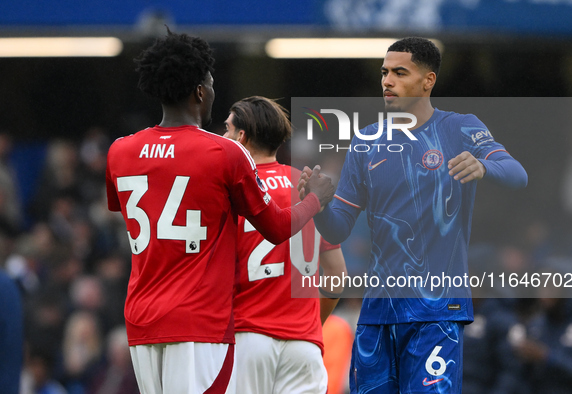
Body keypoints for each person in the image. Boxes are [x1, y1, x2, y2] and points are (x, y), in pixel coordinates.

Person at [105, 30, 334, 394]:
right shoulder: (224, 154)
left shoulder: (119, 151)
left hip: (141, 320)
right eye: (210, 83)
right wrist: (314, 200)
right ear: (199, 91)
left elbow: (131, 210)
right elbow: (275, 227)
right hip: (198, 322)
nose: (212, 90)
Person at [299, 37, 528, 393]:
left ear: (428, 80)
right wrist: (319, 204)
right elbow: (339, 227)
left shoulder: (459, 128)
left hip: (436, 313)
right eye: (384, 72)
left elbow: (517, 174)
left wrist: (483, 166)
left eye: (399, 72)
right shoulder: (366, 141)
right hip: (377, 313)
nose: (387, 81)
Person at [223, 96, 347, 394]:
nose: (222, 137)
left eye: (226, 129)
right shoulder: (310, 189)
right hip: (304, 345)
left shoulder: (231, 193)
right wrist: (309, 325)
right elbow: (337, 276)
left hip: (247, 338)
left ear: (242, 136)